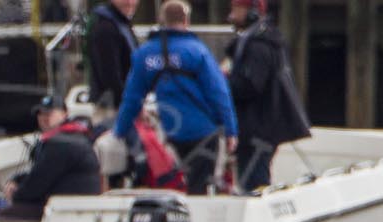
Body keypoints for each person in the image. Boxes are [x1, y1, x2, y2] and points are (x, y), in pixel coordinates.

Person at [112, 0, 238, 196]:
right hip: (203, 132)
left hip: (172, 134)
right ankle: (197, 221)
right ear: (186, 20)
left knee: (174, 185)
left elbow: (132, 98)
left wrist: (119, 131)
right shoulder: (197, 51)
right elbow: (219, 93)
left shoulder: (145, 54)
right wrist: (231, 130)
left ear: (162, 20)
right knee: (200, 188)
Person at [225, 0, 310, 194]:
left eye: (236, 9)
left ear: (253, 12)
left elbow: (251, 85)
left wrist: (223, 84)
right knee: (251, 174)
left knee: (254, 179)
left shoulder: (258, 45)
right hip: (261, 126)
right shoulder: (260, 40)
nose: (231, 15)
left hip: (258, 128)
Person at [0, 95, 104, 222]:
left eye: (50, 112)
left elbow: (36, 185)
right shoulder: (75, 137)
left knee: (6, 213)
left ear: (65, 114)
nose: (44, 117)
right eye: (40, 113)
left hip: (67, 211)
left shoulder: (60, 143)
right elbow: (42, 174)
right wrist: (17, 180)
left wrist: (15, 195)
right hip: (77, 208)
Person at [83, 0, 141, 119]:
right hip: (112, 109)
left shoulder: (122, 24)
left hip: (123, 104)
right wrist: (130, 105)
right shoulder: (106, 28)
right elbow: (110, 75)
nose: (130, 2)